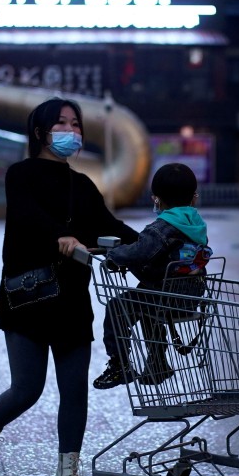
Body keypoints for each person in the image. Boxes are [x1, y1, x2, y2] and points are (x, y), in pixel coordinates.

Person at [0, 97, 139, 476]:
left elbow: (108, 226)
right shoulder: (20, 174)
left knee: (74, 389)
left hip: (72, 301)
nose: (71, 131)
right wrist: (59, 237)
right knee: (27, 388)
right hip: (28, 297)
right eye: (61, 124)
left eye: (76, 124)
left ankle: (66, 474)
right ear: (41, 132)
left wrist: (155, 245)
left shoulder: (82, 184)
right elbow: (27, 216)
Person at [93, 163, 211, 390]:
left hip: (165, 295)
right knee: (146, 304)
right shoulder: (195, 223)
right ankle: (157, 363)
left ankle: (119, 365)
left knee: (117, 308)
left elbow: (140, 252)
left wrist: (113, 256)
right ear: (193, 198)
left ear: (156, 199)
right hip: (190, 295)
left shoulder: (162, 227)